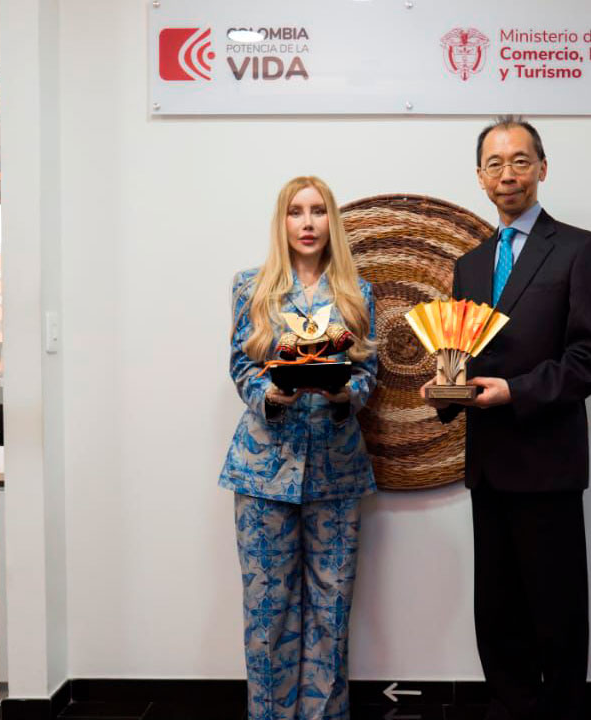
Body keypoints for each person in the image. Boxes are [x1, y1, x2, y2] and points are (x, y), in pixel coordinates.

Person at [421, 116, 591, 720]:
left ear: (542, 169)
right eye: (495, 164)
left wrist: (516, 392)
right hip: (488, 463)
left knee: (557, 610)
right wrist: (444, 391)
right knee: (497, 610)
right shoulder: (471, 263)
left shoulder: (582, 249)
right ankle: (509, 708)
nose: (508, 174)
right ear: (480, 178)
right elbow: (463, 350)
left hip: (548, 462)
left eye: (520, 161)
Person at [221, 175, 378, 720]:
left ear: (331, 220)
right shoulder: (251, 287)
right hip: (263, 473)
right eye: (295, 212)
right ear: (281, 221)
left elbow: (367, 373)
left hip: (337, 469)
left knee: (331, 610)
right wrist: (271, 394)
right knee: (268, 613)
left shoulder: (357, 293)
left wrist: (345, 393)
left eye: (317, 211)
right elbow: (241, 366)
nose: (307, 223)